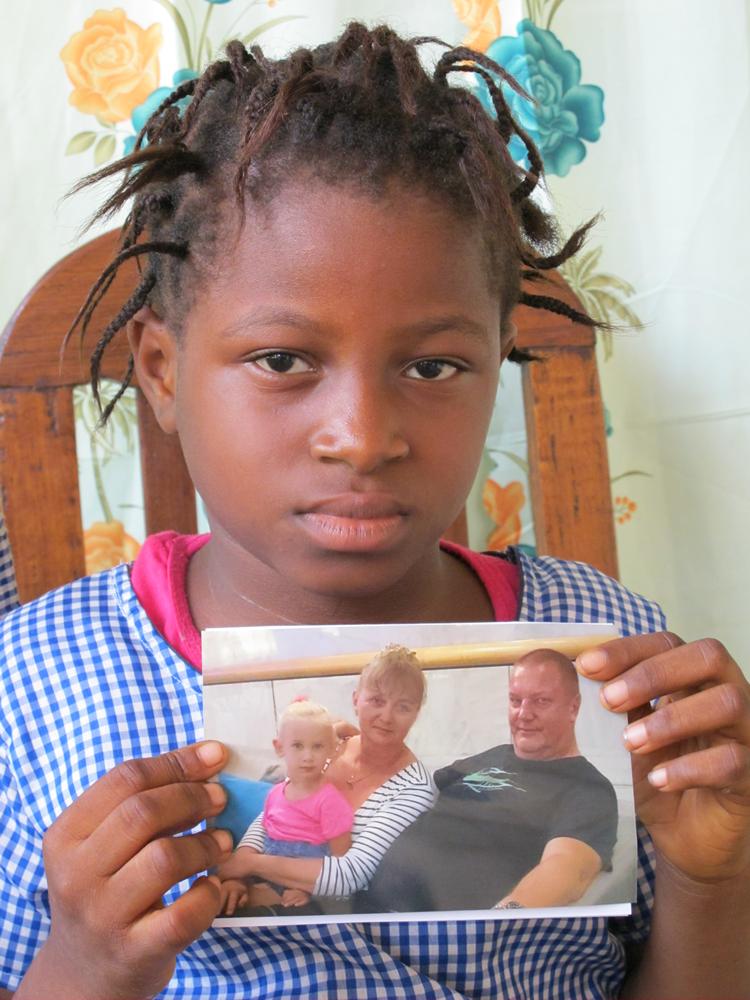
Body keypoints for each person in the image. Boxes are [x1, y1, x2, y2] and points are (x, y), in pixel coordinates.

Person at [0, 22, 748, 1000]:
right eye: (282, 360)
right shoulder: (32, 694)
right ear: (162, 370)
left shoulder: (610, 660)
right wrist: (83, 966)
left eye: (432, 367)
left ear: (496, 364)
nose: (361, 435)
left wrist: (714, 879)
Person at [360, 649, 619, 912]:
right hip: (360, 896)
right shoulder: (495, 755)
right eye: (515, 701)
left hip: (425, 924)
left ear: (573, 708)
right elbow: (411, 789)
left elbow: (567, 869)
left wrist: (502, 918)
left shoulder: (588, 788)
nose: (523, 714)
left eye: (540, 701)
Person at [221, 644, 435, 912]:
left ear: (416, 714)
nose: (386, 717)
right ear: (356, 700)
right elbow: (275, 811)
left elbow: (350, 876)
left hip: (333, 910)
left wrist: (251, 865)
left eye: (403, 707)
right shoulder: (329, 747)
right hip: (273, 880)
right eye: (377, 701)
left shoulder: (414, 788)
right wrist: (237, 878)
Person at [217, 699, 354, 913]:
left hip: (302, 881)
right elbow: (265, 838)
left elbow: (340, 863)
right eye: (298, 746)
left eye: (317, 746)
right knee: (223, 892)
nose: (307, 757)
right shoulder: (275, 793)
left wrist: (310, 891)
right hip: (265, 870)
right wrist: (239, 878)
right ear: (279, 747)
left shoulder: (330, 801)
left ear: (331, 750)